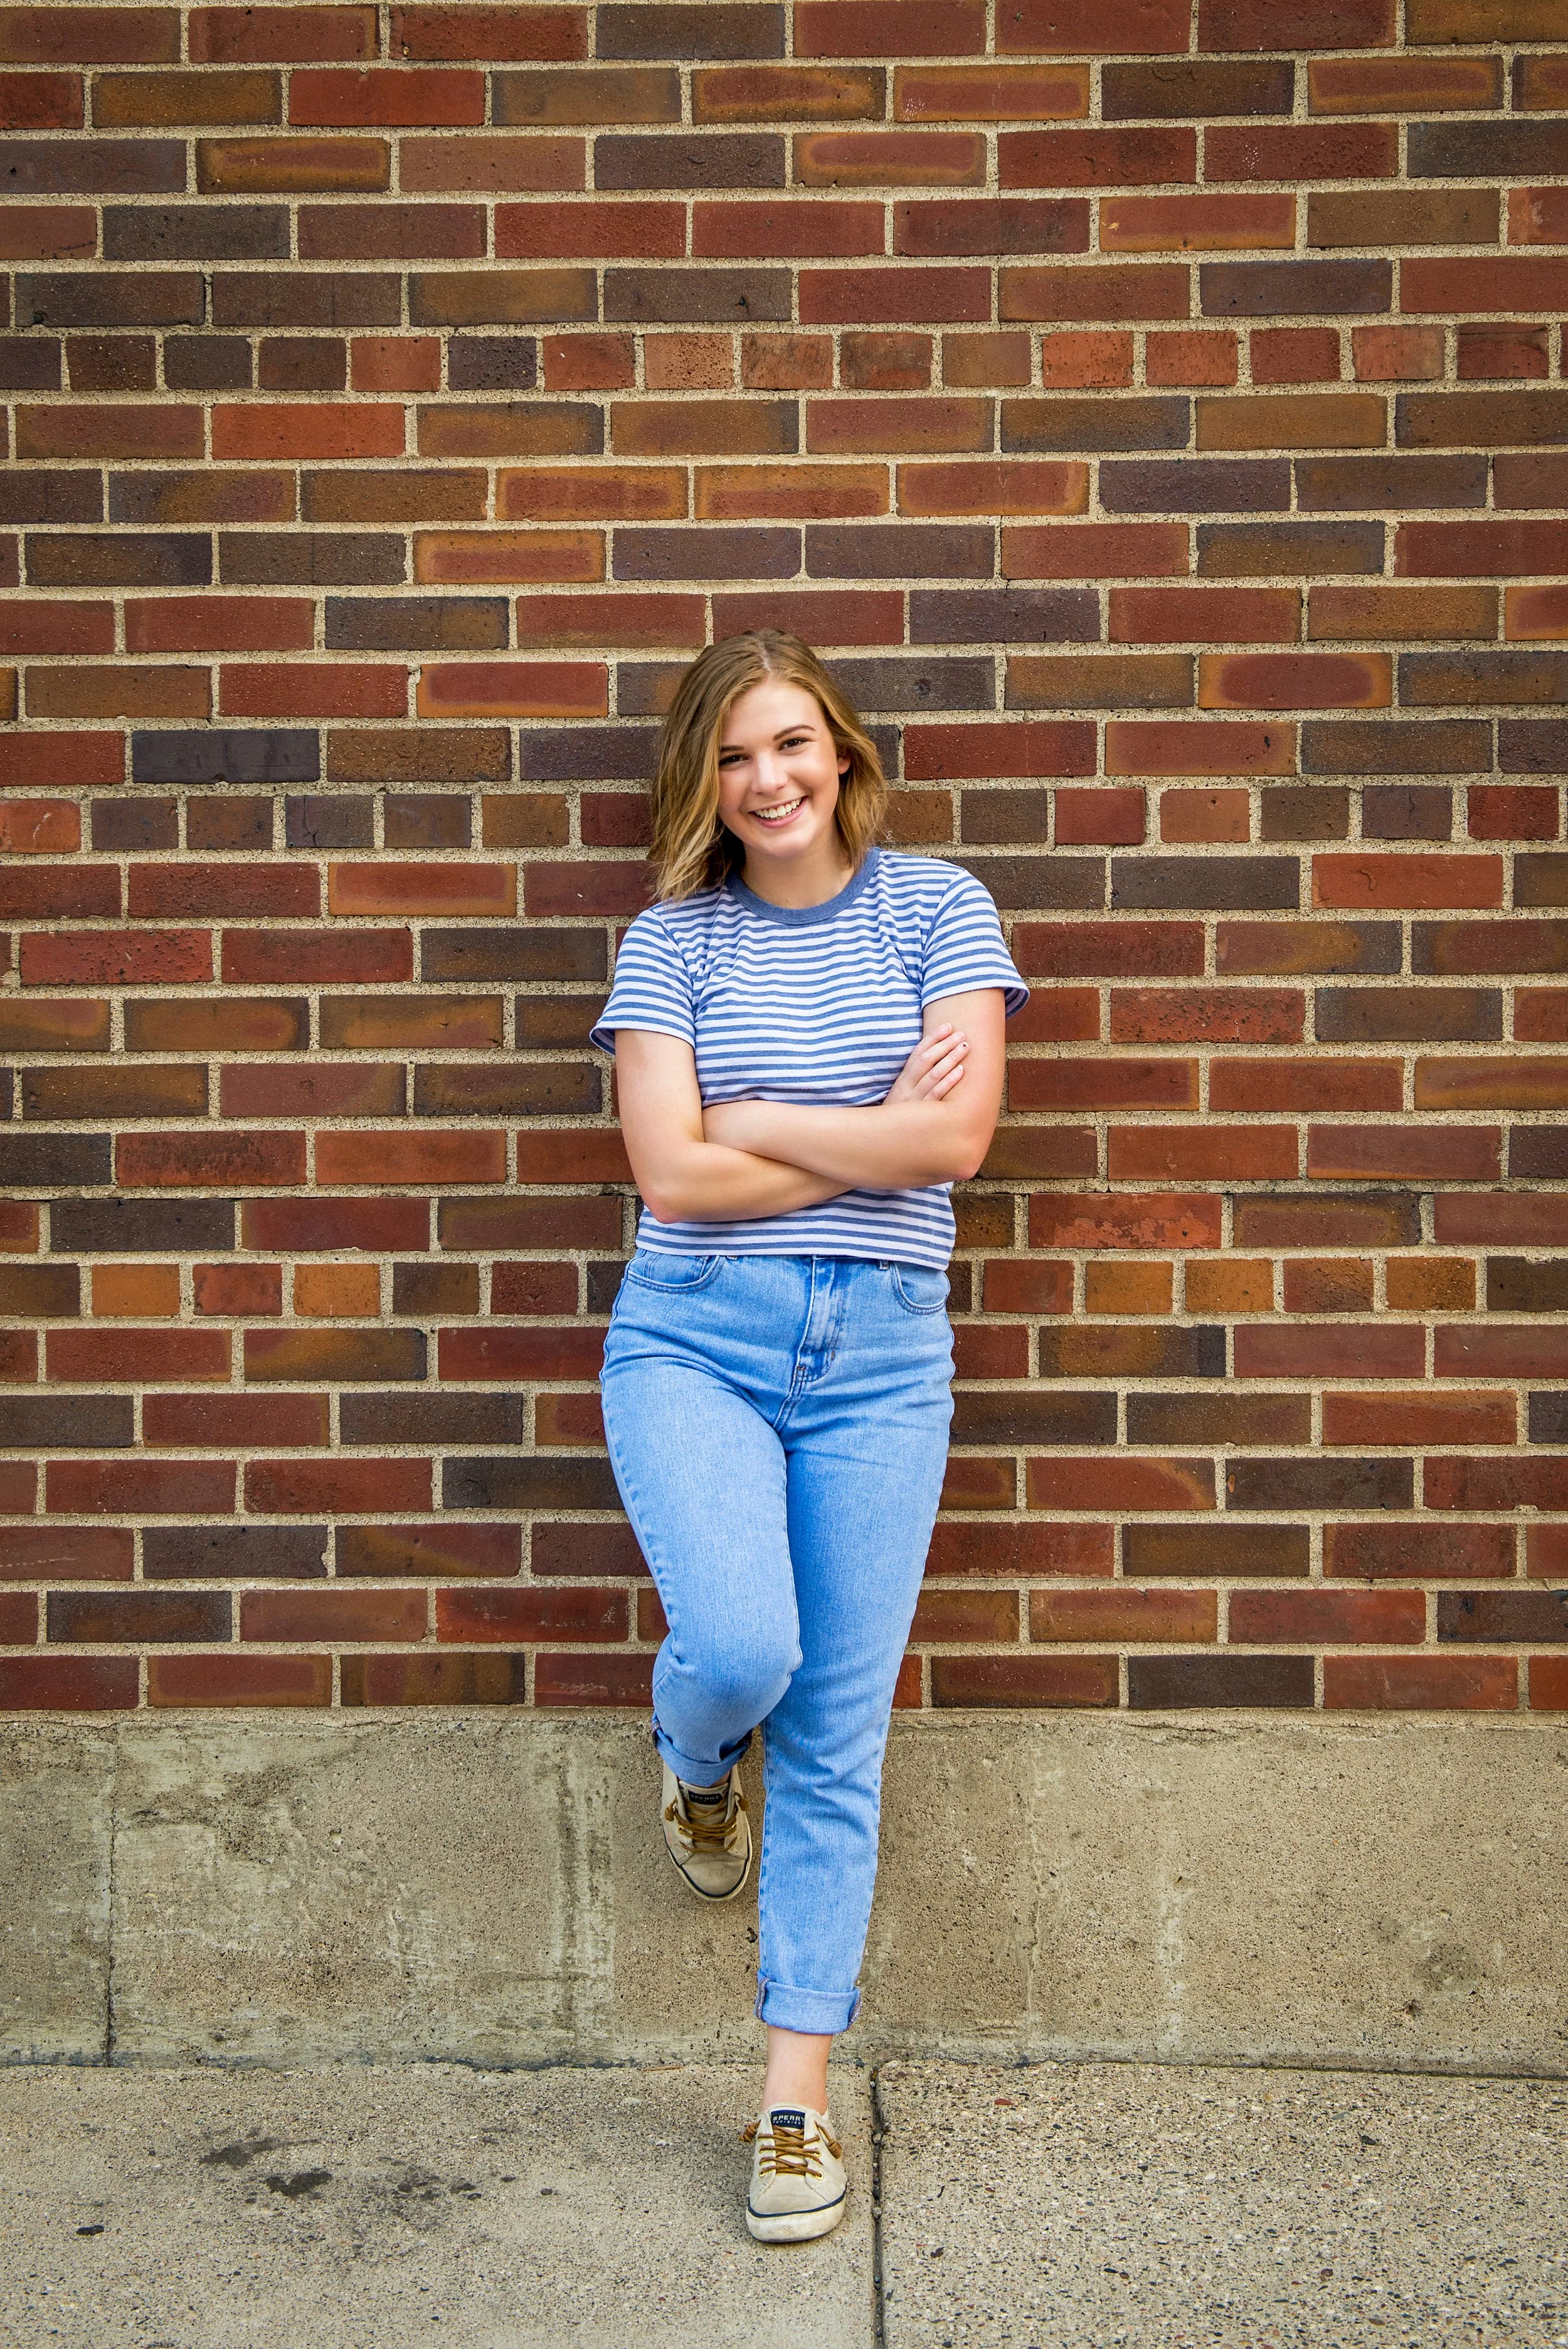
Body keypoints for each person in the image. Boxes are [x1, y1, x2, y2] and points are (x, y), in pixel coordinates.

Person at [590, 631, 1027, 2242]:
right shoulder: (669, 945)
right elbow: (672, 1186)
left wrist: (755, 1118)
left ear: (839, 750)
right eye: (730, 756)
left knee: (839, 1732)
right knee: (740, 1643)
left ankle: (792, 2106)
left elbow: (960, 1139)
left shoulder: (938, 910)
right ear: (699, 781)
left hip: (882, 1365)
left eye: (790, 744)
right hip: (694, 1339)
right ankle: (695, 1759)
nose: (766, 780)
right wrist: (863, 1142)